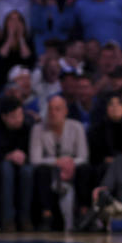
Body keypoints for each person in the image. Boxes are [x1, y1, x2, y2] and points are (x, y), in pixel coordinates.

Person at [29, 95, 91, 230]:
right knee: (41, 171)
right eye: (50, 109)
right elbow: (35, 159)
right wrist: (57, 162)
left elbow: (83, 156)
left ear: (65, 111)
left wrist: (69, 163)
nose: (53, 113)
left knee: (85, 169)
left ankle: (84, 213)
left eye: (57, 109)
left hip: (73, 168)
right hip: (51, 169)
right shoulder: (38, 129)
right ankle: (46, 214)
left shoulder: (77, 127)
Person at [0, 97, 35, 231]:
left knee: (28, 171)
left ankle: (25, 217)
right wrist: (7, 156)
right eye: (14, 116)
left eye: (20, 115)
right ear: (4, 117)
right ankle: (8, 219)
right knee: (6, 169)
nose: (19, 119)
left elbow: (32, 150)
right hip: (1, 163)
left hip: (23, 162)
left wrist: (24, 156)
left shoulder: (27, 128)